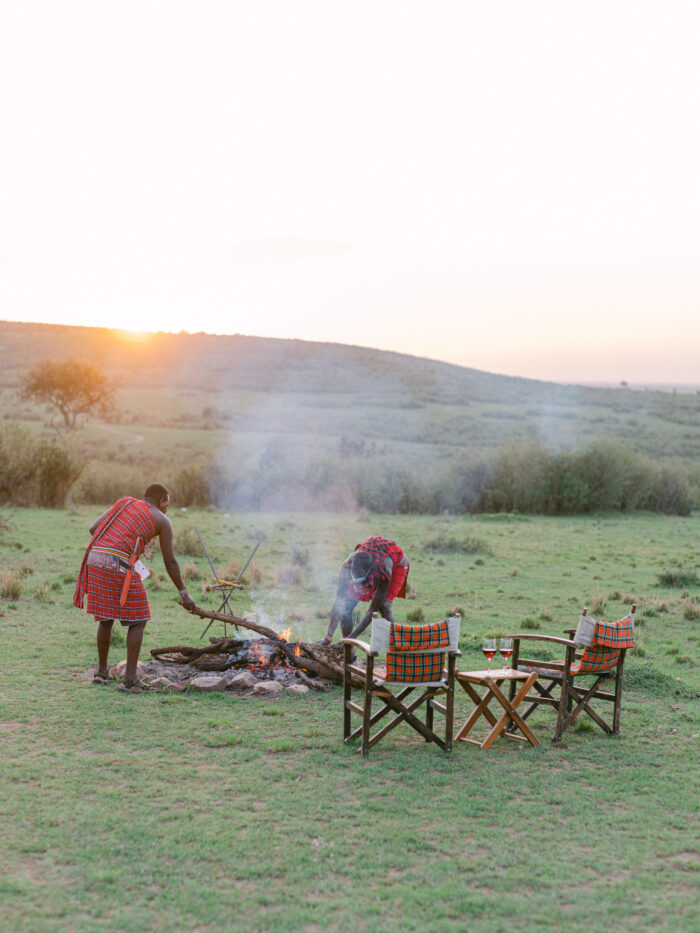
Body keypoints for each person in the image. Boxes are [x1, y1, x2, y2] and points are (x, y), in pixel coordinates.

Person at [73, 484, 196, 692]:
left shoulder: (125, 502)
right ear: (162, 501)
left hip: (95, 558)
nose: (168, 507)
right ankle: (130, 680)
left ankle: (101, 673)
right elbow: (171, 562)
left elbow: (94, 528)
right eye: (168, 503)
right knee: (139, 618)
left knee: (106, 616)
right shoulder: (162, 520)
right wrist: (184, 594)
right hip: (118, 563)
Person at [322, 536, 409, 643]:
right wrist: (328, 636)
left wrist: (352, 637)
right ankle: (349, 650)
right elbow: (339, 601)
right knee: (346, 607)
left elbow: (372, 611)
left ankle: (399, 644)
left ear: (370, 574)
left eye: (362, 583)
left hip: (397, 564)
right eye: (357, 583)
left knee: (384, 606)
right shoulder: (346, 568)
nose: (359, 588)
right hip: (370, 566)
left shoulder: (384, 572)